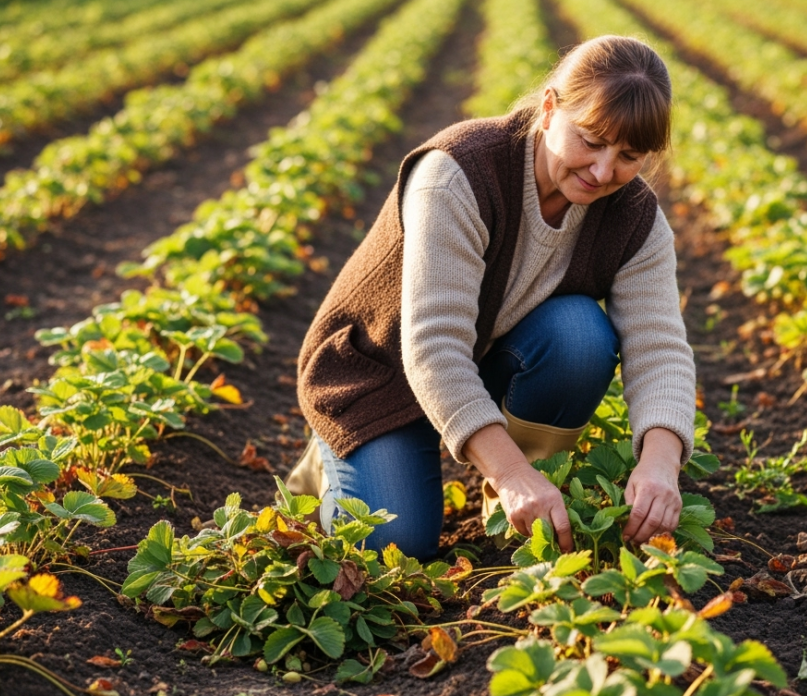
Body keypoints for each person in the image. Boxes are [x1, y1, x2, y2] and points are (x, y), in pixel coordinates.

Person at [288, 35, 696, 561]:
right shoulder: (459, 175)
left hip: (482, 362)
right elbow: (434, 348)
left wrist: (660, 464)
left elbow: (660, 345)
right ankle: (338, 463)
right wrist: (511, 473)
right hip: (377, 379)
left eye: (628, 156)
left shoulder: (633, 217)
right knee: (394, 545)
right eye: (591, 141)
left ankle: (516, 509)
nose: (602, 172)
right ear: (549, 109)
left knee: (578, 334)